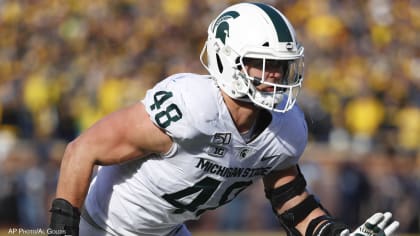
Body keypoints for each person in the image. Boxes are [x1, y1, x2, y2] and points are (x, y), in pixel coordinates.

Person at [48, 2, 400, 236]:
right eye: (263, 63)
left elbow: (291, 201)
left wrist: (336, 234)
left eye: (280, 65)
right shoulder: (191, 107)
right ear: (227, 60)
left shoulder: (285, 128)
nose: (275, 75)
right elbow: (82, 150)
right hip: (102, 227)